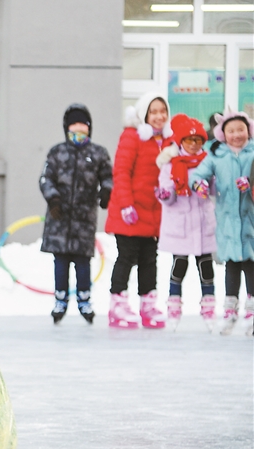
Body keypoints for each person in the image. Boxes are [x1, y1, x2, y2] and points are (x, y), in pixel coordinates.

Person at [39, 103, 113, 324]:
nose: (79, 132)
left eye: (83, 127)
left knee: (83, 262)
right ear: (66, 129)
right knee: (60, 261)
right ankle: (60, 299)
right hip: (59, 218)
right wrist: (53, 198)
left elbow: (108, 176)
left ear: (89, 129)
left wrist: (106, 192)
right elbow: (45, 178)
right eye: (74, 127)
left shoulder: (98, 153)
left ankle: (84, 299)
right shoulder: (57, 152)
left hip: (83, 219)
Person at [105, 91, 171, 329]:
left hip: (152, 214)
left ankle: (148, 303)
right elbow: (121, 172)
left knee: (148, 260)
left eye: (162, 111)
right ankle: (118, 304)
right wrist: (125, 205)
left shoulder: (166, 142)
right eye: (153, 112)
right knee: (126, 258)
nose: (158, 116)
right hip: (130, 212)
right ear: (144, 114)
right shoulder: (132, 136)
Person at [190, 108, 254, 336]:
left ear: (248, 130)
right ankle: (230, 308)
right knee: (232, 264)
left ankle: (252, 307)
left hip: (251, 220)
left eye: (241, 130)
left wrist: (251, 184)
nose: (237, 134)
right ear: (223, 134)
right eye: (231, 130)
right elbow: (197, 175)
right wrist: (200, 185)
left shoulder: (253, 153)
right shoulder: (217, 155)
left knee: (251, 263)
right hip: (227, 221)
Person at [154, 113, 216, 332]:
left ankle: (209, 307)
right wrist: (164, 194)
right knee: (179, 265)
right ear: (181, 141)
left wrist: (207, 188)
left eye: (197, 140)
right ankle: (173, 307)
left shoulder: (208, 161)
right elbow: (167, 197)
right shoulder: (170, 165)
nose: (193, 144)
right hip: (180, 225)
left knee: (206, 266)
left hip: (202, 223)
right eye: (189, 140)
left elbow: (216, 188)